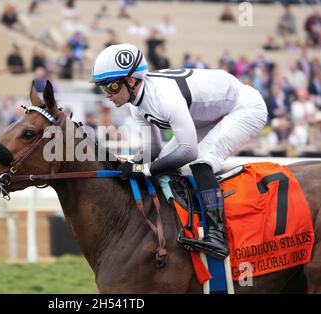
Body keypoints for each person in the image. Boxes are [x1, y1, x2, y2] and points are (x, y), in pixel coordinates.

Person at [90, 44, 268, 259]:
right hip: (211, 114)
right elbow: (153, 148)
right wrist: (129, 164)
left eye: (113, 86)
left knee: (200, 161)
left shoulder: (163, 98)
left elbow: (188, 151)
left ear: (132, 80)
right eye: (104, 88)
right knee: (166, 163)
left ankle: (217, 234)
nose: (108, 94)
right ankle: (186, 223)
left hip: (245, 107)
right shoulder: (136, 104)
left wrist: (145, 169)